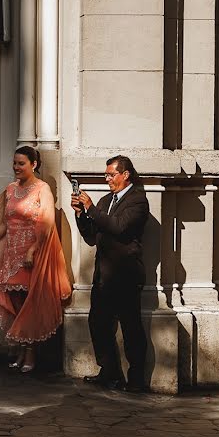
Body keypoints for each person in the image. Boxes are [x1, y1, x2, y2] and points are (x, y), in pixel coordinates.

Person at [0, 146, 72, 372]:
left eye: (21, 163)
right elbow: (6, 223)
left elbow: (46, 222)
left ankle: (30, 353)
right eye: (15, 163)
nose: (16, 167)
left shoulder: (42, 189)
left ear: (33, 164)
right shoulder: (10, 189)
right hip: (11, 253)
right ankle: (20, 349)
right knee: (14, 302)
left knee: (29, 302)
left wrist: (33, 249)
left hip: (30, 254)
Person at [72, 155, 149, 392]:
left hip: (126, 275)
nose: (107, 179)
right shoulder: (107, 200)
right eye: (106, 175)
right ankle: (109, 372)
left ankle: (136, 380)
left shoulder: (138, 201)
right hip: (103, 274)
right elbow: (92, 235)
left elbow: (119, 227)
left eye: (111, 175)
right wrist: (80, 214)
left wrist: (91, 208)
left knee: (131, 327)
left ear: (125, 175)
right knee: (98, 323)